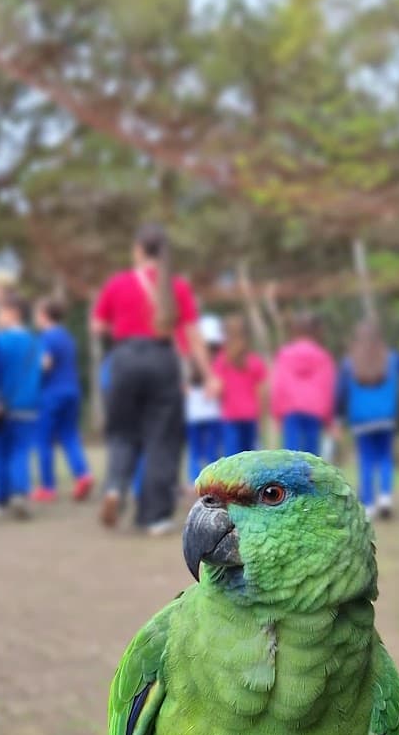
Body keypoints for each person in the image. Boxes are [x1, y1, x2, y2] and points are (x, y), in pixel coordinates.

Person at [91, 222, 211, 535]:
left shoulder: (118, 283)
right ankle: (155, 515)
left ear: (138, 250)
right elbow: (193, 334)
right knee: (162, 438)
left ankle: (115, 487)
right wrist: (209, 375)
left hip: (124, 358)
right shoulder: (176, 286)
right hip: (162, 359)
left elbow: (97, 325)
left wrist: (122, 328)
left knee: (122, 432)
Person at [335, 320, 399, 518]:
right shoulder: (391, 359)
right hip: (385, 418)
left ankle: (368, 503)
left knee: (366, 460)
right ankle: (385, 497)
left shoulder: (350, 362)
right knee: (384, 457)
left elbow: (340, 393)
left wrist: (338, 418)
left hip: (361, 420)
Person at [33, 297, 93, 503]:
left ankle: (47, 487)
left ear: (44, 315)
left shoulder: (47, 337)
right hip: (72, 391)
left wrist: (30, 375)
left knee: (43, 439)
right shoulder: (67, 337)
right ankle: (83, 474)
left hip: (52, 394)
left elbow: (45, 364)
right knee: (69, 435)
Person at [0, 293, 41, 518]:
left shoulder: (0, 341)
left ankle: (2, 496)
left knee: (1, 452)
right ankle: (20, 492)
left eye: (0, 312)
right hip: (29, 405)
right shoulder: (35, 341)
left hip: (4, 404)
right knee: (21, 451)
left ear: (14, 313)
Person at [270, 312, 336, 456]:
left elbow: (279, 385)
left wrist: (276, 414)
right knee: (311, 457)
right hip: (315, 410)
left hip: (290, 410)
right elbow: (327, 388)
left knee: (290, 454)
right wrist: (329, 419)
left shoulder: (285, 355)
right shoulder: (322, 356)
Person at [212, 315, 267, 456]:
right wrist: (262, 420)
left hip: (230, 417)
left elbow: (218, 389)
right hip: (250, 416)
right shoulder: (255, 361)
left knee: (233, 458)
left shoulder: (222, 361)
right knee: (250, 459)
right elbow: (261, 394)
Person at [185, 313, 225, 483]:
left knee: (202, 451)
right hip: (204, 413)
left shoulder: (192, 360)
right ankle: (201, 482)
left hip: (202, 413)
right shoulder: (215, 361)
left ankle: (202, 482)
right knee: (204, 451)